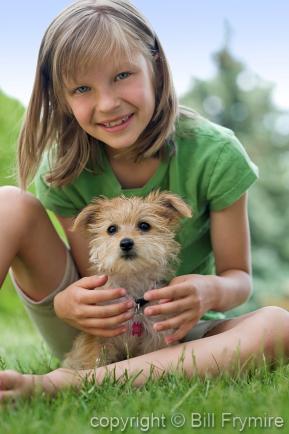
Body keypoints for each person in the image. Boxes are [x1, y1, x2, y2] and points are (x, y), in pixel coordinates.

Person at [0, 0, 289, 400]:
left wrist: (208, 292)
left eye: (121, 75)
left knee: (278, 325)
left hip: (181, 331)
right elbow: (93, 273)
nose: (108, 103)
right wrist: (67, 303)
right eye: (82, 88)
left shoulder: (215, 154)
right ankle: (95, 370)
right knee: (7, 205)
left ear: (155, 65)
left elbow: (239, 277)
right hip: (94, 325)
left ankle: (67, 384)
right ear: (61, 98)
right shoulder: (63, 164)